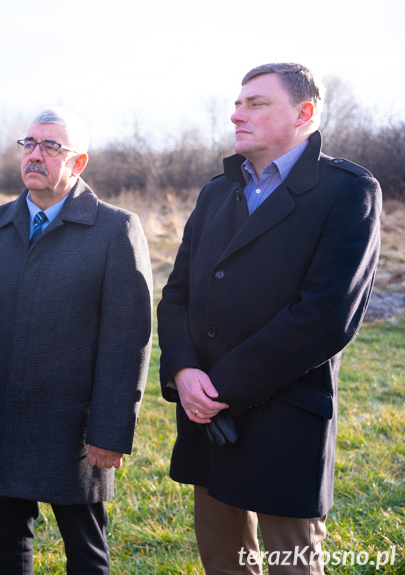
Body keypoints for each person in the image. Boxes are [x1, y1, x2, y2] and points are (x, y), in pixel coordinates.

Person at [157, 62, 382, 574]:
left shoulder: (347, 191)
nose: (237, 114)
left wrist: (218, 387)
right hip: (205, 416)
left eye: (255, 103)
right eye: (238, 103)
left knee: (291, 566)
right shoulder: (217, 191)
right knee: (224, 562)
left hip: (284, 415)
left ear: (304, 113)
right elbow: (177, 296)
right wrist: (183, 371)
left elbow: (324, 317)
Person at [0, 107, 153, 574]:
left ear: (78, 163)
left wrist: (111, 432)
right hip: (7, 419)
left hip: (76, 429)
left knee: (86, 554)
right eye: (29, 144)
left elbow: (128, 340)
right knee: (8, 549)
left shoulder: (115, 229)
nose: (36, 155)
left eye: (51, 147)